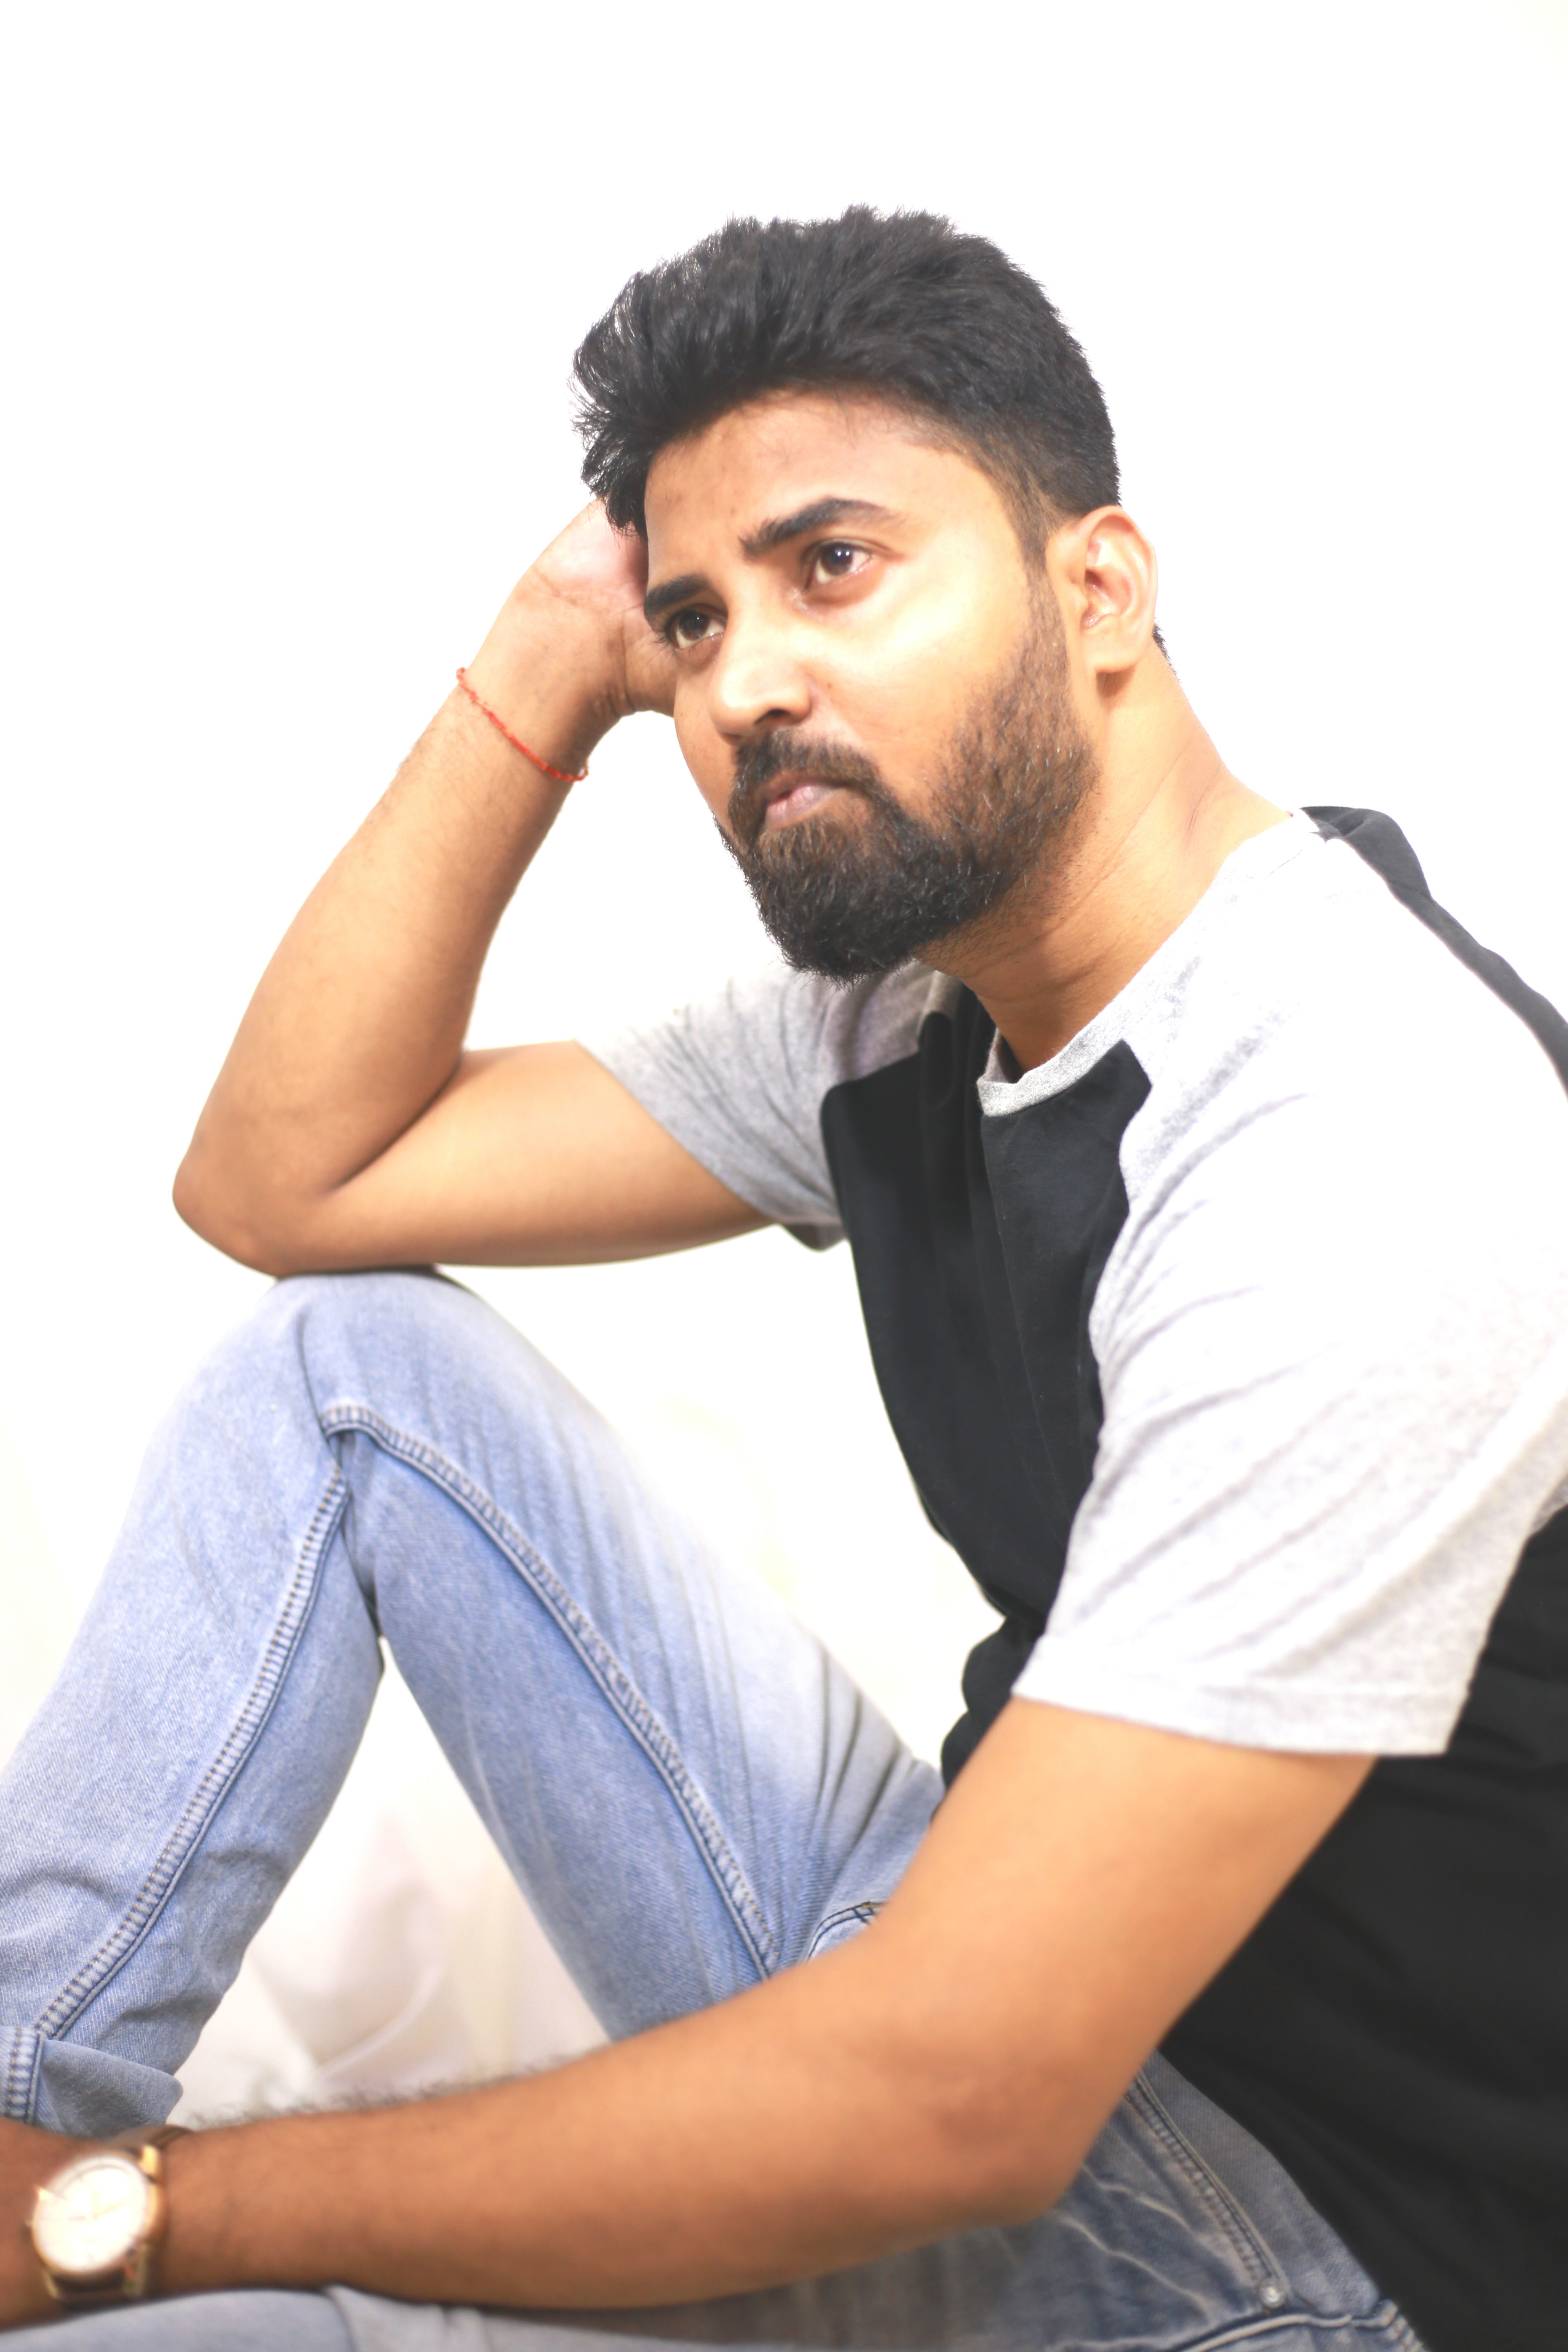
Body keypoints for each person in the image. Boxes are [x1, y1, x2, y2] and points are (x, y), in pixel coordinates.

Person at [0, 208, 1563, 2352]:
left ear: (1102, 590)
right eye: (692, 619)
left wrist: (139, 2221)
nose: (738, 685)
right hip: (1001, 1992)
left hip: (1324, 2255)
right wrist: (547, 658)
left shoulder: (1366, 1131)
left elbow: (961, 2097)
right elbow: (285, 1178)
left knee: (223, 2331)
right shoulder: (908, 1018)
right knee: (347, 1369)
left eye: (834, 565)